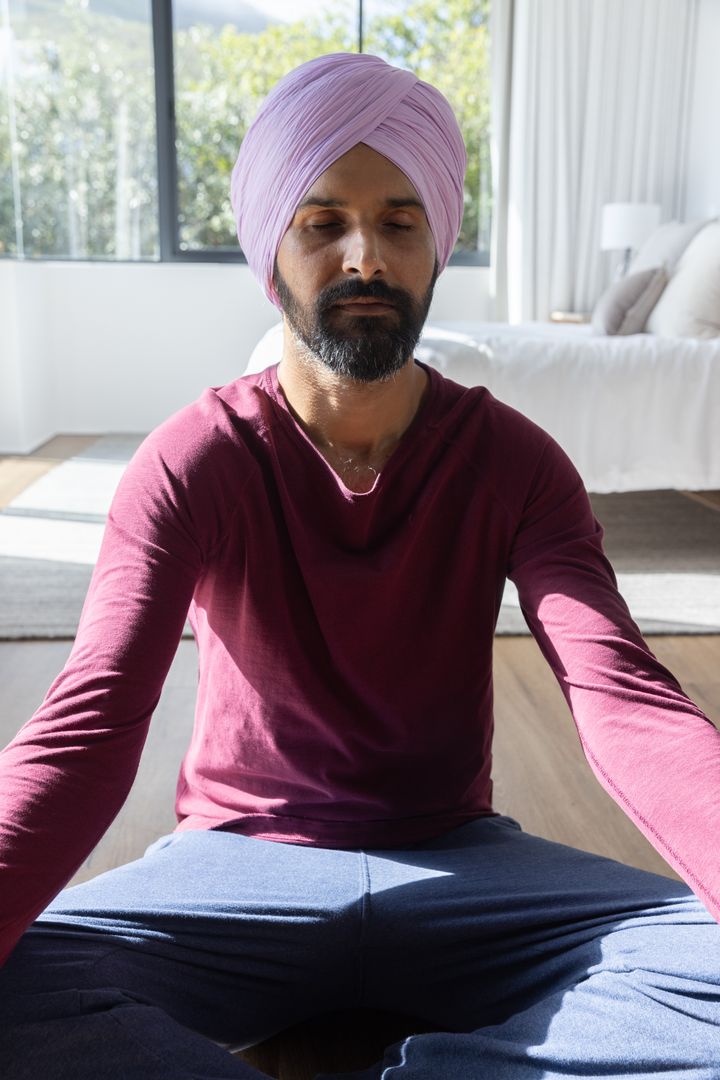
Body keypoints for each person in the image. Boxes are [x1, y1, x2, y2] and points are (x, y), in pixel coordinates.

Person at [0, 51, 719, 1080]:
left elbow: (627, 703)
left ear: (437, 246)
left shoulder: (518, 462)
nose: (364, 259)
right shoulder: (192, 459)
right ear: (271, 245)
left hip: (466, 863)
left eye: (399, 221)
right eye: (321, 221)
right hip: (239, 865)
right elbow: (92, 720)